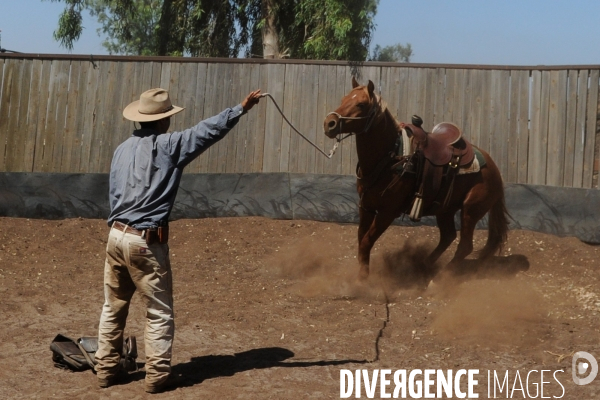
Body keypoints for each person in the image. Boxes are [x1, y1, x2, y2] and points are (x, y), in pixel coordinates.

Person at [94, 87, 262, 393]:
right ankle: (157, 375)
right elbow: (206, 132)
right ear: (162, 121)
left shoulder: (121, 149)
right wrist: (240, 108)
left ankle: (105, 369)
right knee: (158, 310)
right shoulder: (169, 145)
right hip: (145, 240)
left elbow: (115, 194)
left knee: (113, 306)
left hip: (115, 235)